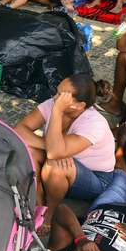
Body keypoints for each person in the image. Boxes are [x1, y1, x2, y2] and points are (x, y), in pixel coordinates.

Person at [14, 75, 115, 226]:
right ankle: (39, 202)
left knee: (55, 165)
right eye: (57, 92)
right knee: (29, 150)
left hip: (96, 177)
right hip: (65, 163)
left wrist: (57, 112)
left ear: (79, 105)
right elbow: (20, 130)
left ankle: (51, 212)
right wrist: (47, 145)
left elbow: (54, 153)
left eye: (62, 97)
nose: (55, 98)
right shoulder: (53, 104)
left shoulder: (94, 123)